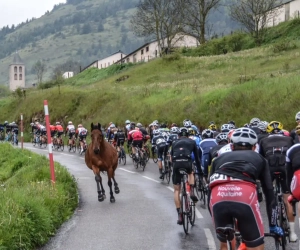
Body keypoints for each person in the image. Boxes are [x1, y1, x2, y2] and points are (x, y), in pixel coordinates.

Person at [209, 128, 283, 250]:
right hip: (244, 195)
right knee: (256, 246)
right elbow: (269, 193)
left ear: (232, 146)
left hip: (217, 197)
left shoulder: (217, 159)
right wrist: (273, 224)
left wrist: (216, 220)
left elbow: (209, 191)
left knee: (224, 244)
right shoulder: (259, 158)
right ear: (254, 147)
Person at [259, 120, 296, 241]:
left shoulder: (263, 140)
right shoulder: (289, 139)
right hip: (285, 167)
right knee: (287, 199)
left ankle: (274, 226)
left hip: (270, 169)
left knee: (271, 198)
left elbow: (261, 159)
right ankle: (292, 233)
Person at [171, 127, 203, 225]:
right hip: (187, 162)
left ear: (179, 136)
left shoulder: (174, 142)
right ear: (188, 135)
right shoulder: (192, 142)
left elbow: (171, 157)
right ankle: (192, 191)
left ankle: (180, 215)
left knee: (177, 190)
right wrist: (200, 172)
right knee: (191, 172)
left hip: (176, 163)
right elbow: (197, 158)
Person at [286, 125, 300, 242]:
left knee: (291, 200)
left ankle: (293, 233)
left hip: (298, 181)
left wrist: (289, 192)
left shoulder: (292, 149)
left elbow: (289, 173)